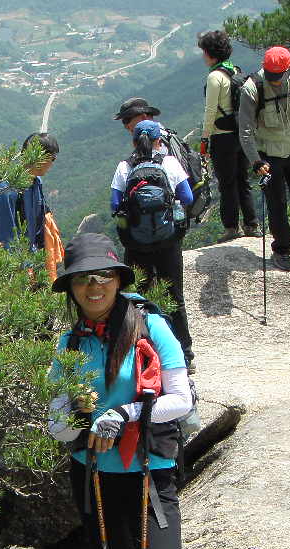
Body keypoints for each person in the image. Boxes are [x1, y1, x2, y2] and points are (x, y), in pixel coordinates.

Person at [47, 232, 207, 549]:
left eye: (103, 276)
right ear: (71, 287)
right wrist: (79, 421)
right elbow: (54, 421)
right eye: (82, 279)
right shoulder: (69, 342)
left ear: (118, 280)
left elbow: (182, 398)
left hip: (146, 472)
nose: (94, 286)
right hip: (95, 473)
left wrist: (125, 411)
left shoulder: (151, 326)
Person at [111, 120, 195, 370]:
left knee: (138, 298)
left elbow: (115, 205)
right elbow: (188, 197)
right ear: (160, 141)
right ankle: (185, 354)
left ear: (134, 142)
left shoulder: (124, 167)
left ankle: (143, 353)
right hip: (168, 241)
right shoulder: (169, 163)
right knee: (174, 297)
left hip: (136, 245)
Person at [237, 46, 290, 275]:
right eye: (272, 76)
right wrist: (256, 161)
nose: (276, 81)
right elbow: (244, 132)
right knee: (276, 204)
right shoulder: (252, 89)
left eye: (280, 76)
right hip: (269, 156)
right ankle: (282, 250)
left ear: (288, 68)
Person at [197, 29, 258, 242]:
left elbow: (210, 111)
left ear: (210, 53)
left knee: (227, 183)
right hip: (242, 134)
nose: (203, 55)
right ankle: (251, 224)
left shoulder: (215, 77)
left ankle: (231, 228)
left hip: (222, 136)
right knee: (243, 180)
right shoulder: (235, 70)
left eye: (204, 51)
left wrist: (204, 139)